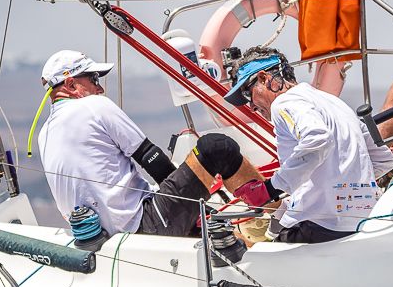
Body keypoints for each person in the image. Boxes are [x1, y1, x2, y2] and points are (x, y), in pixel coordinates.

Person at [37, 50, 260, 237]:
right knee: (216, 147)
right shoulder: (94, 105)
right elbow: (151, 158)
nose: (100, 88)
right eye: (94, 79)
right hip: (146, 226)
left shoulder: (44, 133)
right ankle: (273, 212)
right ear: (71, 84)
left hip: (102, 236)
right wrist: (192, 204)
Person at [224, 47, 393, 243]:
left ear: (264, 79)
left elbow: (318, 139)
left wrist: (270, 188)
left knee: (243, 245)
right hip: (364, 220)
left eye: (247, 94)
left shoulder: (283, 103)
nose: (251, 106)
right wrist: (344, 190)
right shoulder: (334, 102)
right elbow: (384, 160)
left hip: (321, 228)